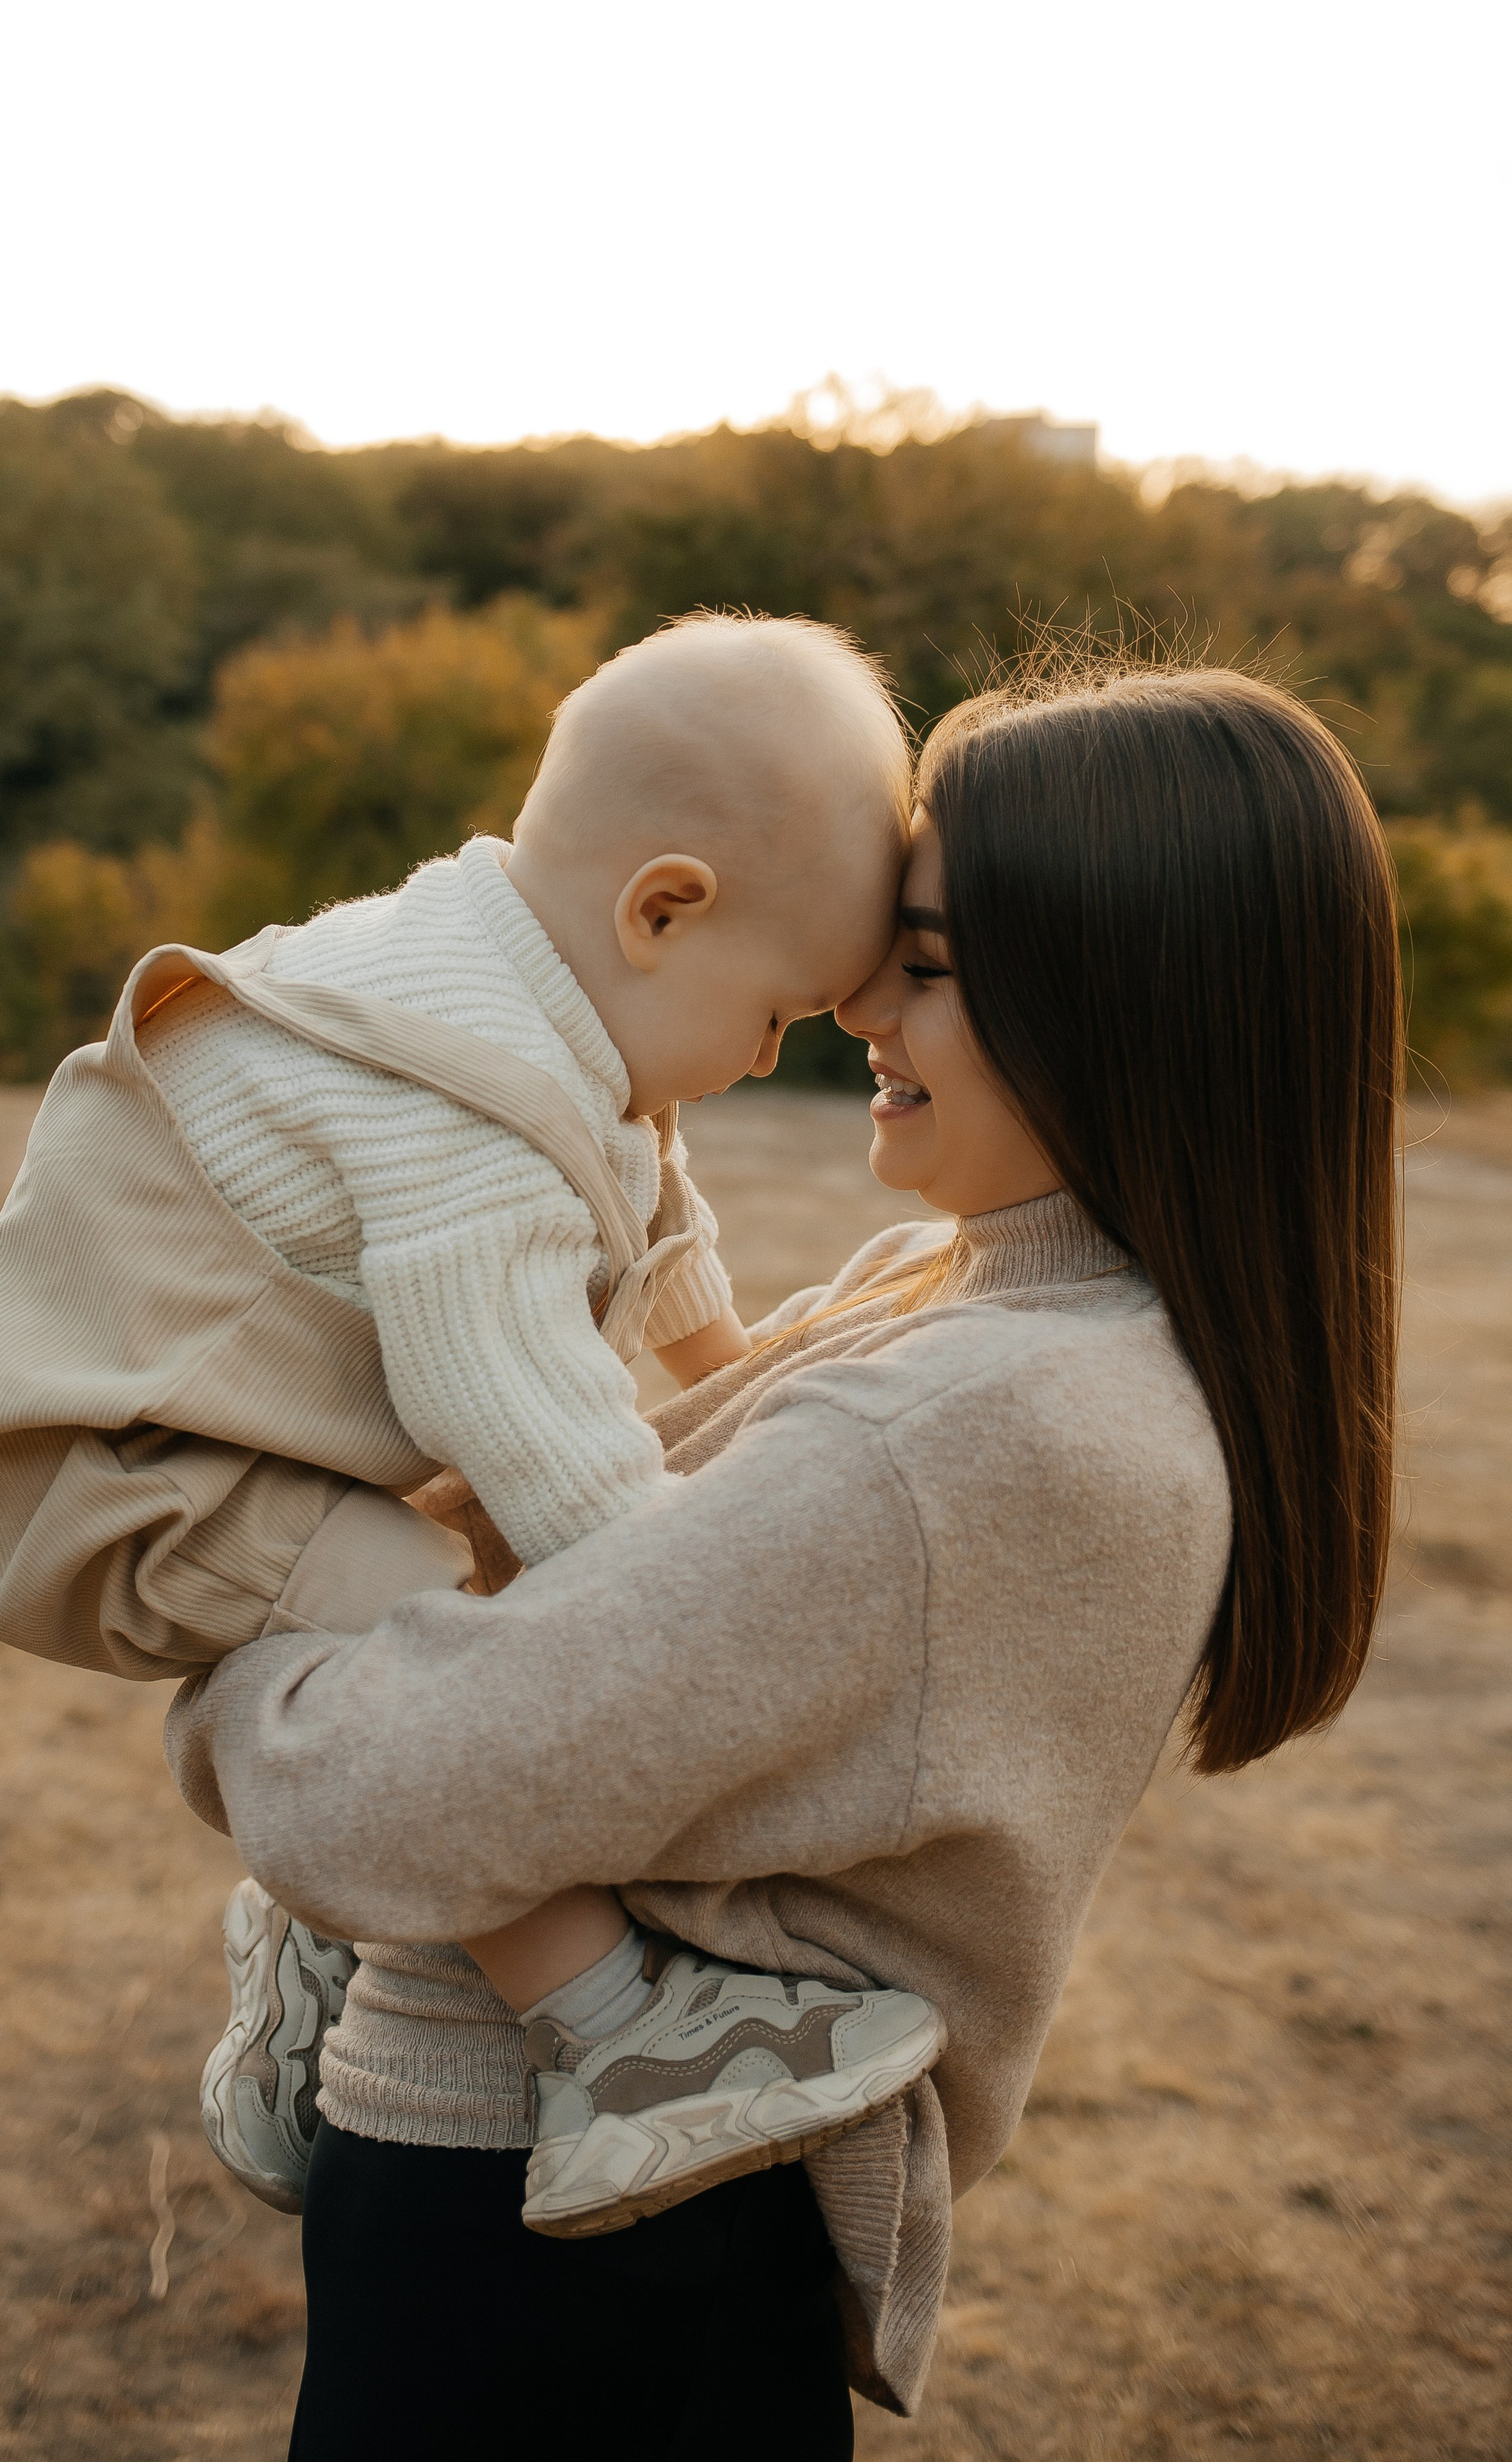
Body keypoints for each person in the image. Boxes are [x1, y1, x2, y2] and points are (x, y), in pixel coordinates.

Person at [164, 661, 1403, 2455]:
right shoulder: (965, 1296)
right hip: (589, 2216)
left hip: (583, 2246)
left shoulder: (992, 1425)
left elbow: (375, 1798)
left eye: (927, 964)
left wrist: (218, 1622)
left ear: (1122, 1006)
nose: (852, 1010)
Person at [0, 610, 943, 2243]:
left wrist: (735, 1382)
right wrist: (716, 1619)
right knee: (443, 1628)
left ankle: (308, 1930)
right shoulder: (446, 1092)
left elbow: (654, 1209)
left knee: (440, 1583)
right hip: (103, 1477)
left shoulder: (537, 991)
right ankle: (620, 2041)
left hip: (219, 1443)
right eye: (779, 1017)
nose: (763, 1061)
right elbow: (535, 1434)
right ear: (662, 909)